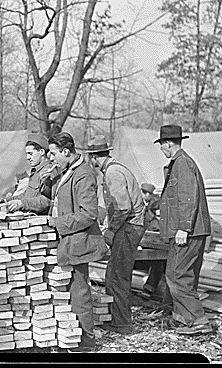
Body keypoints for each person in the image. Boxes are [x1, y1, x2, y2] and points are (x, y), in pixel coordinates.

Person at [46, 132, 109, 352]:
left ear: (66, 151)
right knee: (74, 291)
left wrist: (58, 222)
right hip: (70, 239)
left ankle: (85, 344)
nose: (51, 157)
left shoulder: (83, 174)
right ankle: (74, 339)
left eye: (54, 153)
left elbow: (89, 213)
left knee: (80, 294)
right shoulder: (68, 171)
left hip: (79, 241)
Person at [85, 135, 145, 336]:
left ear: (94, 157)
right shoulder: (115, 169)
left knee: (117, 275)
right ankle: (120, 320)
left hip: (128, 227)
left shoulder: (112, 173)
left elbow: (123, 207)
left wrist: (110, 230)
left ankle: (122, 323)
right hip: (129, 226)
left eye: (91, 157)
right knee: (117, 273)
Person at [155, 124, 212, 335]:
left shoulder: (182, 163)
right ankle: (182, 319)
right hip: (190, 231)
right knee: (178, 274)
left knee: (178, 276)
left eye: (162, 145)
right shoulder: (180, 163)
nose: (161, 150)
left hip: (189, 231)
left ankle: (197, 321)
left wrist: (183, 228)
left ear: (168, 144)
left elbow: (188, 198)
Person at [6, 133, 58, 214]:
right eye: (26, 154)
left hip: (42, 220)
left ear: (41, 152)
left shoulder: (49, 171)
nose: (27, 158)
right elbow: (28, 195)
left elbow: (47, 201)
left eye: (30, 153)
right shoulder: (36, 171)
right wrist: (10, 200)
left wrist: (22, 204)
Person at [139, 182, 167, 299]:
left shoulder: (155, 206)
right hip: (142, 244)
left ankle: (149, 288)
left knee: (159, 259)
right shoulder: (142, 206)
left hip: (155, 245)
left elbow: (156, 227)